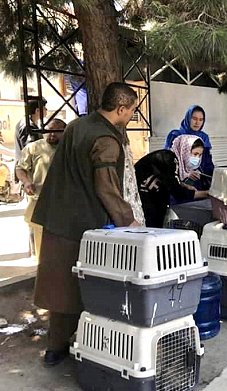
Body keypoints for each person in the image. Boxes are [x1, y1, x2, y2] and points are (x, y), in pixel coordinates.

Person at [31, 82, 144, 366]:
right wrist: (128, 220)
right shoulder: (106, 139)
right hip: (83, 224)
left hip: (57, 216)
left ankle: (54, 348)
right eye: (131, 111)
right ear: (121, 108)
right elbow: (107, 188)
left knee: (59, 289)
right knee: (86, 287)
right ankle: (91, 349)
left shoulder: (77, 126)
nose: (131, 116)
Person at [15, 119, 66, 259]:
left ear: (64, 132)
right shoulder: (34, 148)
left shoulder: (68, 148)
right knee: (38, 233)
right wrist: (26, 182)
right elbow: (20, 169)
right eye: (49, 131)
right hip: (39, 198)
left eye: (56, 132)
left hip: (63, 200)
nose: (51, 135)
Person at [135, 142, 208, 228]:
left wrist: (183, 185)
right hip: (145, 201)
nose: (197, 158)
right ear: (185, 150)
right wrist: (207, 193)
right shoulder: (167, 159)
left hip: (152, 199)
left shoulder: (171, 158)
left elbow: (168, 179)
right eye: (195, 154)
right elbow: (178, 192)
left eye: (200, 155)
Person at [164, 105, 214, 188]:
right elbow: (168, 161)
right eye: (194, 118)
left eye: (201, 120)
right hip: (179, 182)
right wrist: (185, 173)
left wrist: (207, 175)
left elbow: (207, 162)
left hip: (199, 181)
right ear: (188, 118)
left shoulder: (204, 138)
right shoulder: (175, 135)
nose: (197, 122)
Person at [15, 97, 47, 161]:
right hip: (27, 167)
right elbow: (30, 150)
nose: (46, 110)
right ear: (37, 110)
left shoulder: (29, 123)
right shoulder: (28, 126)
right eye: (44, 108)